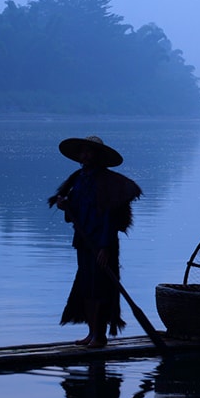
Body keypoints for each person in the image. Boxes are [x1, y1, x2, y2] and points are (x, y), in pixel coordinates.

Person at [48, 135, 142, 347]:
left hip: (101, 243)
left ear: (98, 156)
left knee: (100, 288)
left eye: (89, 152)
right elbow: (75, 211)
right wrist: (65, 206)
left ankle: (100, 336)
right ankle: (91, 334)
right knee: (87, 287)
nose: (85, 155)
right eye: (83, 152)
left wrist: (105, 247)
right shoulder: (78, 179)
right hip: (83, 241)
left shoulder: (108, 182)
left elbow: (110, 217)